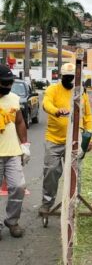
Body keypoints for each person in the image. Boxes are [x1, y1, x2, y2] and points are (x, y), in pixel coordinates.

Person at [39, 63, 92, 214]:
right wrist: (56, 111)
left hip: (75, 140)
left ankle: (73, 204)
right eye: (67, 77)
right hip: (54, 140)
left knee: (76, 173)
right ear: (61, 77)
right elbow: (46, 104)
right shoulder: (53, 89)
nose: (70, 81)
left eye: (73, 78)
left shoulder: (81, 92)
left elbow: (87, 115)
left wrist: (89, 136)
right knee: (51, 172)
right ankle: (47, 203)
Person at [0, 64, 30, 238]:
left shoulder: (14, 99)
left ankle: (12, 221)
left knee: (18, 187)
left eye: (9, 82)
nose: (7, 86)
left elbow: (19, 122)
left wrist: (25, 145)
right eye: (4, 82)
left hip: (13, 152)